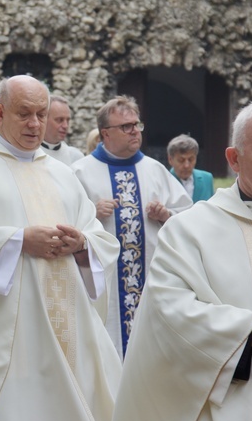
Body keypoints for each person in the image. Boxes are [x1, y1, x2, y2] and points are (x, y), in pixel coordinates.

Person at [0, 75, 121, 421]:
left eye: (41, 113)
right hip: (7, 327)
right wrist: (19, 240)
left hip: (70, 318)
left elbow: (96, 232)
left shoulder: (62, 173)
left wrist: (81, 244)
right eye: (24, 113)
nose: (35, 124)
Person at [112, 99, 252, 421]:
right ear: (234, 159)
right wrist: (249, 333)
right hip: (232, 412)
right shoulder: (189, 230)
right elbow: (167, 315)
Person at [71, 96, 192, 357]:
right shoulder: (79, 172)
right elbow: (63, 223)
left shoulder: (155, 170)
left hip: (151, 281)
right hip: (104, 285)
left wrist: (166, 214)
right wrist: (92, 212)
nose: (134, 131)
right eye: (126, 126)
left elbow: (189, 219)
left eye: (137, 124)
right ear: (105, 133)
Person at [167, 134, 214, 202]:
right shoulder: (164, 181)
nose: (187, 165)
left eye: (191, 159)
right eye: (181, 160)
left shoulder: (207, 178)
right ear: (170, 159)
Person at [43, 95, 85, 165]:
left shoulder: (76, 157)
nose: (65, 126)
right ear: (44, 119)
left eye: (68, 120)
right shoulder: (29, 154)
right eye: (59, 120)